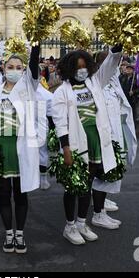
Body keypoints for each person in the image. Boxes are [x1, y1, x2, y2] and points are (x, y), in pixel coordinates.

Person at [52, 44, 122, 246]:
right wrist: (66, 150)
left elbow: (108, 67)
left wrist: (115, 52)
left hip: (95, 140)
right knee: (73, 187)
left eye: (85, 66)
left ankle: (82, 223)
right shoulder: (61, 92)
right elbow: (60, 124)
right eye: (77, 67)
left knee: (88, 184)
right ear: (69, 69)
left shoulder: (94, 83)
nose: (82, 70)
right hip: (75, 143)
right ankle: (70, 225)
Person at [0, 43, 43, 254]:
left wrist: (36, 43)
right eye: (10, 66)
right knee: (4, 193)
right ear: (3, 69)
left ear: (24, 71)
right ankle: (8, 233)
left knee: (21, 193)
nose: (14, 70)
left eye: (18, 67)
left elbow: (34, 64)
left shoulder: (28, 90)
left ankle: (20, 234)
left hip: (20, 147)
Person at [91, 51, 138, 225]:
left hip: (116, 132)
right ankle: (98, 213)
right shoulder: (97, 81)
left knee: (108, 173)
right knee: (103, 174)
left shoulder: (113, 81)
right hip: (104, 136)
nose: (117, 65)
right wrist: (116, 50)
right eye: (113, 62)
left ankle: (100, 203)